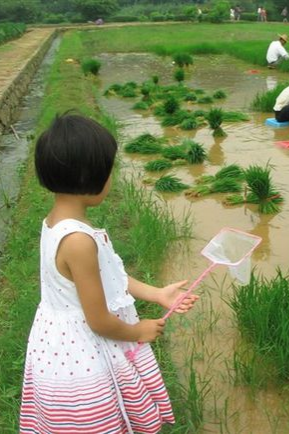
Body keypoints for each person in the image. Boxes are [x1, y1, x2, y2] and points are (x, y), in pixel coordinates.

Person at [19, 114, 199, 432]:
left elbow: (104, 278)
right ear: (92, 176)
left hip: (59, 343)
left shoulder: (56, 222)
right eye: (110, 171)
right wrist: (138, 331)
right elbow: (99, 320)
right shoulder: (78, 240)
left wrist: (156, 293)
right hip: (82, 352)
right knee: (93, 419)